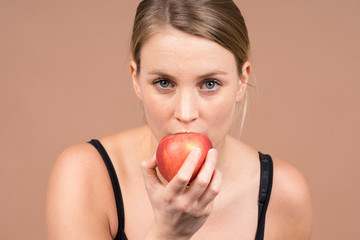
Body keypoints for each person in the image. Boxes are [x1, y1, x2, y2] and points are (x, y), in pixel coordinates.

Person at [46, 0, 313, 239]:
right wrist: (167, 234)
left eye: (210, 84)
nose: (185, 114)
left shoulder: (283, 194)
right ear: (136, 79)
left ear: (242, 81)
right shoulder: (86, 176)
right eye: (164, 83)